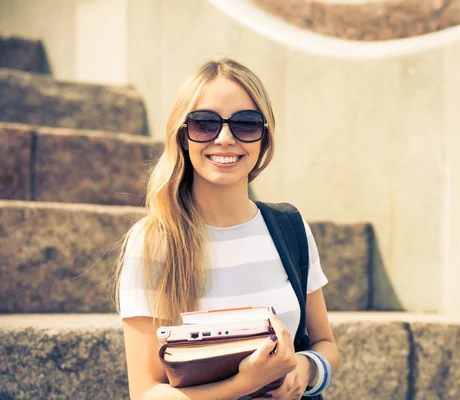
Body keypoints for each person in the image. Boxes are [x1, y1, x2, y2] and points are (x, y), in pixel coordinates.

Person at [115, 58, 339, 400]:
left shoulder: (290, 227)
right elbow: (146, 393)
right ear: (183, 136)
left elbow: (325, 343)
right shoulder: (154, 242)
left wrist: (305, 369)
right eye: (205, 123)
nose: (224, 138)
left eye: (245, 124)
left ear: (264, 137)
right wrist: (244, 384)